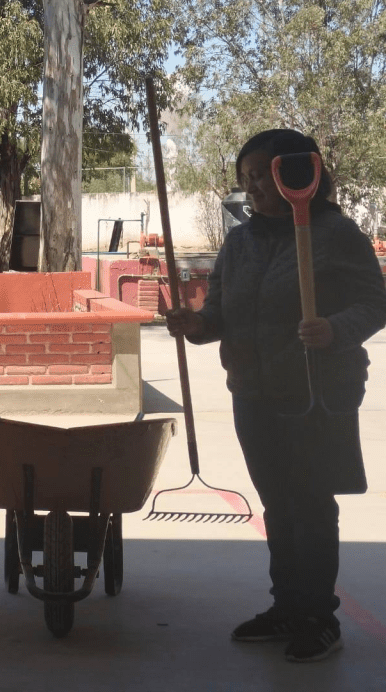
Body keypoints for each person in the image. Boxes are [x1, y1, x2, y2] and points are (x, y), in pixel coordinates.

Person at [166, 129, 386, 663]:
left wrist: (335, 329)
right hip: (252, 391)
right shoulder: (240, 242)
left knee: (310, 504)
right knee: (278, 504)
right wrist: (195, 325)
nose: (255, 187)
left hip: (316, 391)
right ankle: (287, 606)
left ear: (297, 172)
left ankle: (319, 617)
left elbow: (375, 302)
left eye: (263, 174)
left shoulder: (333, 233)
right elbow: (218, 313)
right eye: (246, 178)